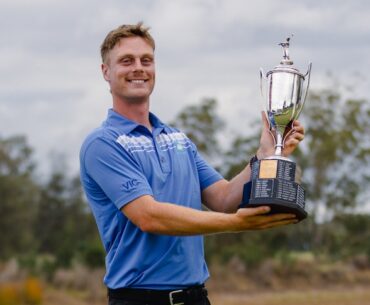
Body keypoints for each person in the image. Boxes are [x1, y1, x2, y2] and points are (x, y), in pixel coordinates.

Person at [79, 22, 305, 305]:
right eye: (127, 61)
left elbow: (223, 198)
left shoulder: (178, 140)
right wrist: (235, 224)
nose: (138, 67)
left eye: (146, 60)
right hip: (139, 299)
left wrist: (264, 155)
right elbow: (149, 216)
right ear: (106, 72)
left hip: (196, 297)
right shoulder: (103, 143)